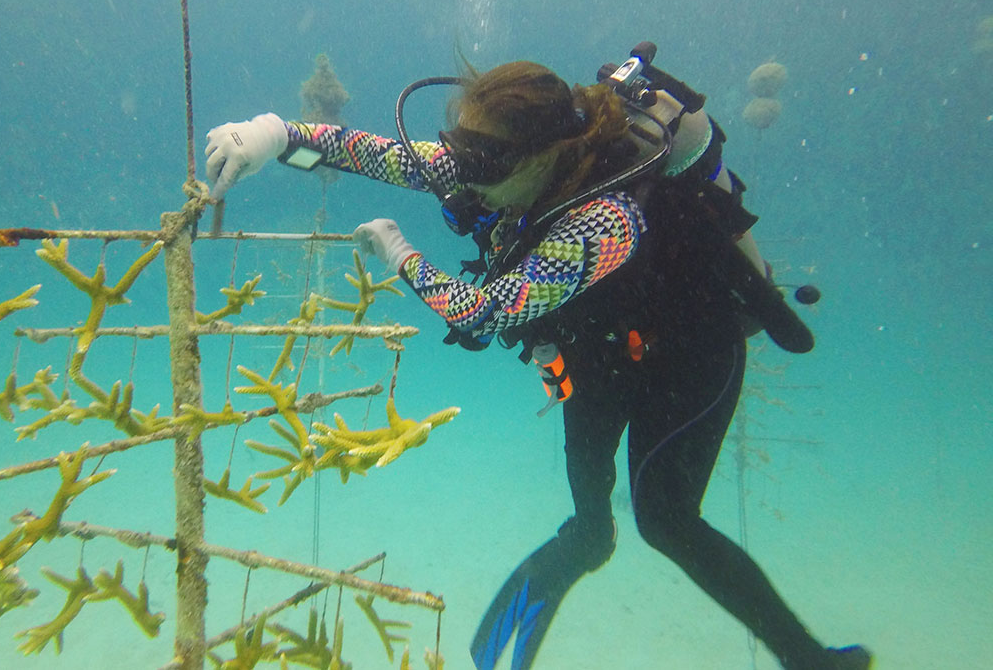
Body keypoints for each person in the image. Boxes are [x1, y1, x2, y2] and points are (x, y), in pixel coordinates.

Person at [204, 55, 870, 670]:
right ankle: (583, 542)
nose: (467, 172)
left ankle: (808, 659)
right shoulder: (496, 161)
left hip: (691, 353)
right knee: (591, 519)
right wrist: (271, 134)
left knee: (666, 519)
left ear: (545, 152)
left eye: (484, 162)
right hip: (602, 353)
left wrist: (399, 252)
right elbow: (379, 155)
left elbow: (485, 312)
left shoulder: (607, 218)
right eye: (462, 151)